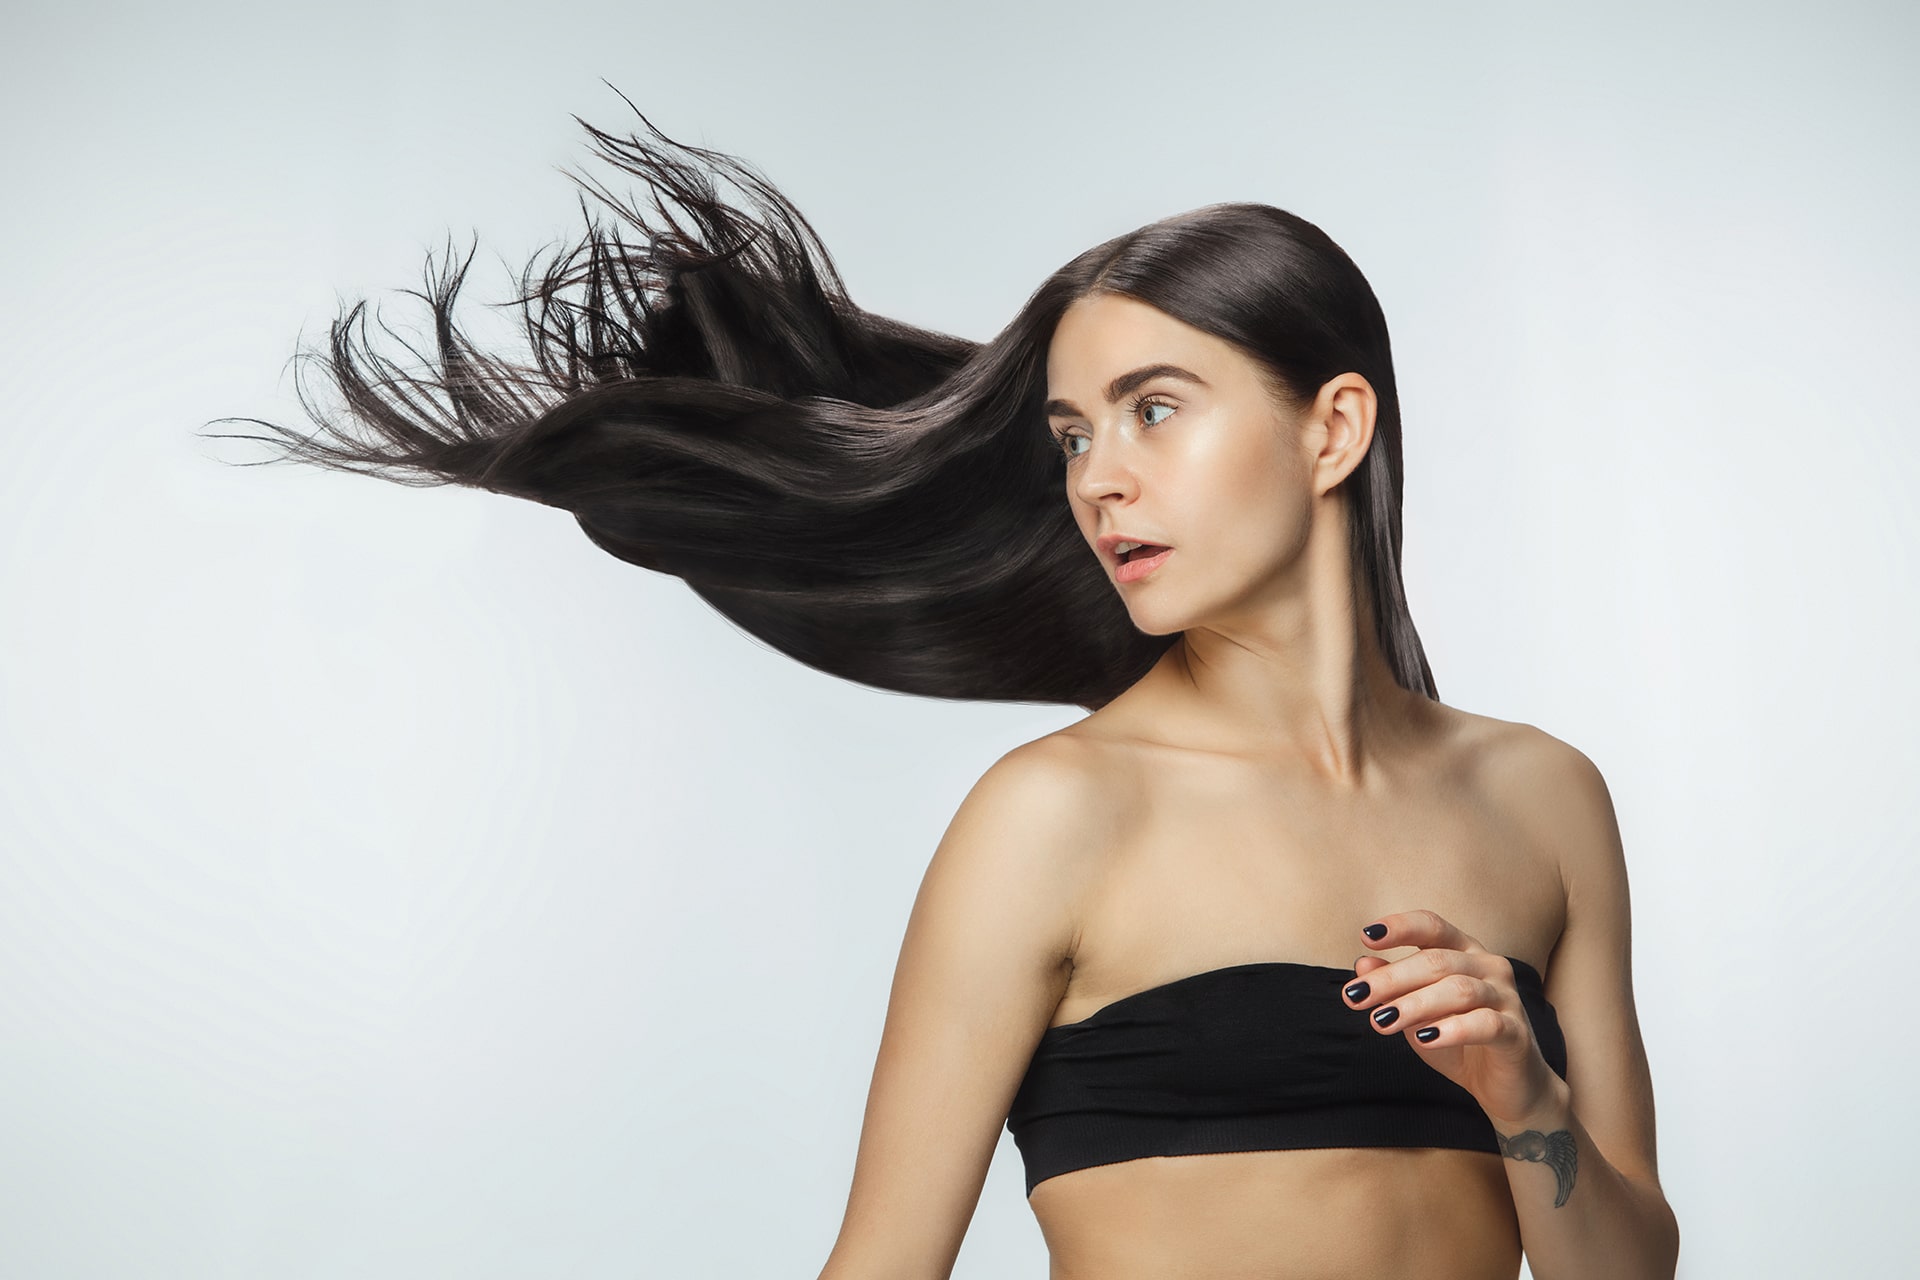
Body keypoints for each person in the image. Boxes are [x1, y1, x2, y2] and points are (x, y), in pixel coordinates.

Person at [206, 91, 1681, 1279]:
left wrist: (1524, 1101)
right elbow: (887, 1261)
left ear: (1331, 428)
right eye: (1072, 433)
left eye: (1154, 411)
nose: (1100, 479)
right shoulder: (1058, 815)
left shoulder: (1541, 798)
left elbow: (1627, 1269)